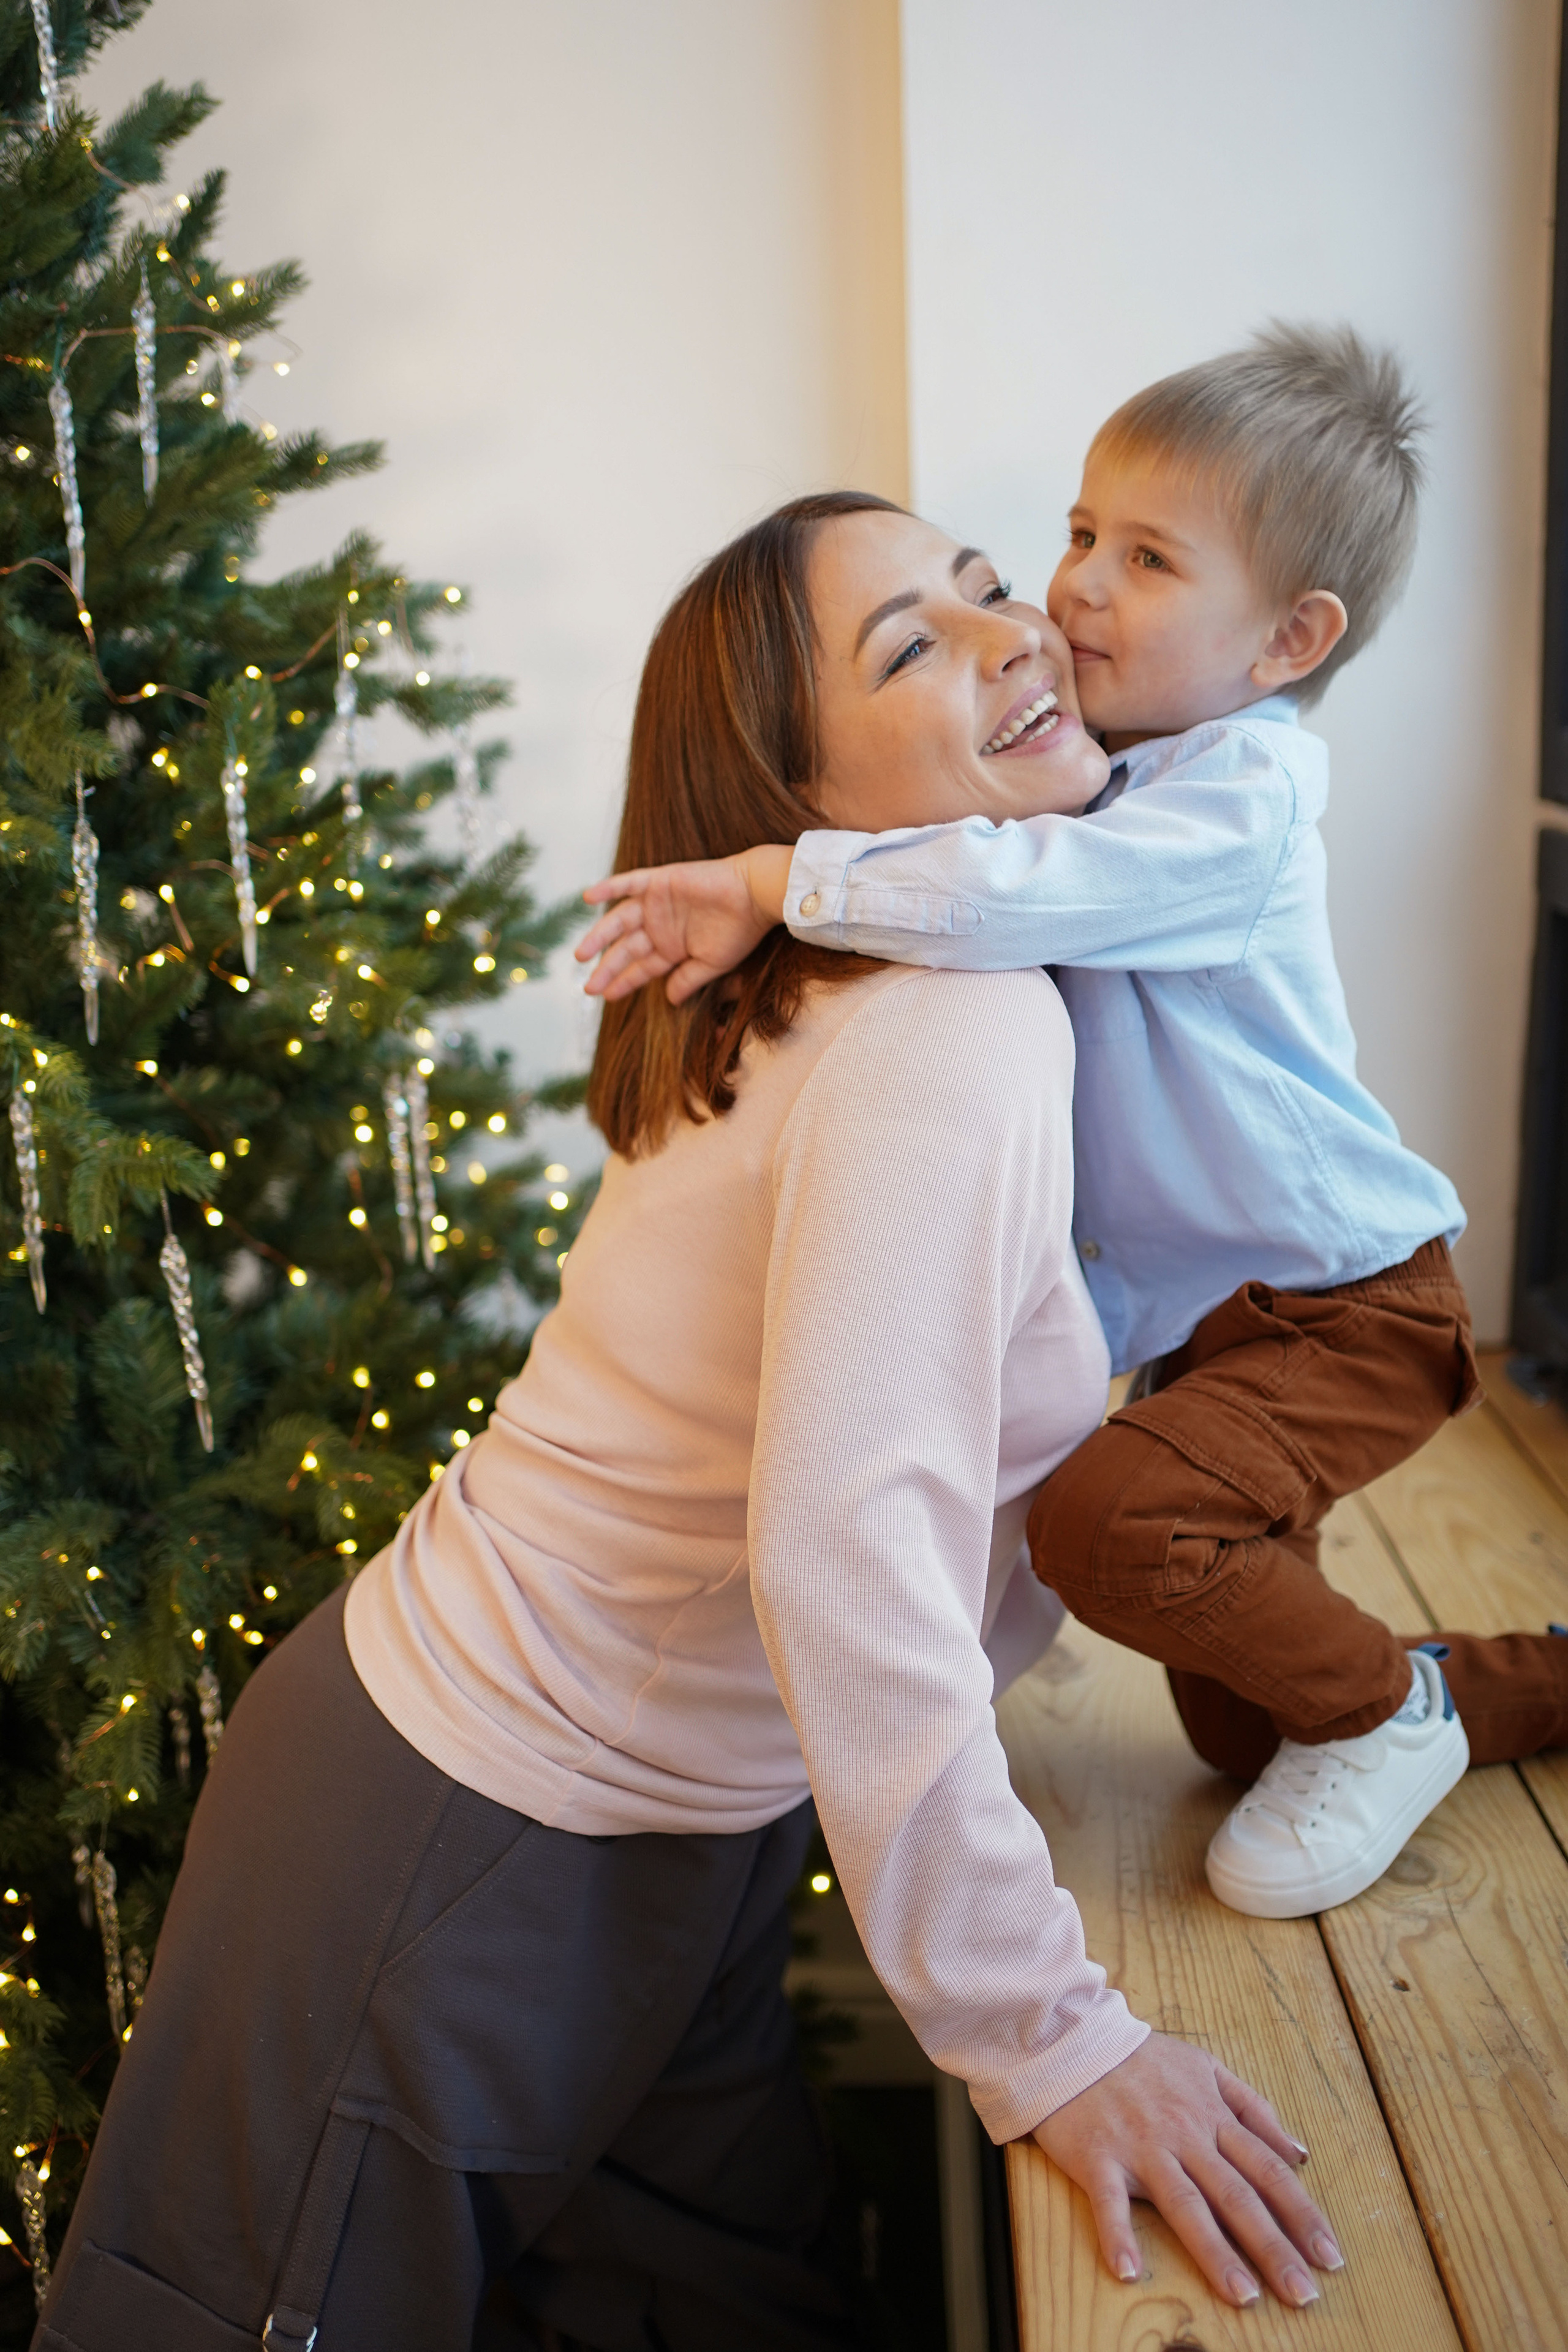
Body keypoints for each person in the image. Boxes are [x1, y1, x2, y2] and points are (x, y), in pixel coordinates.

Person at [37, 492, 1342, 2352]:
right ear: (795, 795)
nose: (1017, 633)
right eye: (914, 646)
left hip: (687, 1811)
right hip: (461, 1823)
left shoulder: (897, 985)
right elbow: (844, 1565)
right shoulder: (943, 1031)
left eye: (986, 586)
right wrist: (1055, 2038)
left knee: (728, 2304)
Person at [576, 328, 1568, 1926]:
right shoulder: (1112, 774)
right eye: (1082, 533)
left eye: (1151, 559)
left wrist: (777, 879)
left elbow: (1019, 893)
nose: (1077, 589)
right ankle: (1494, 1691)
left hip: (1352, 1302)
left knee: (1111, 1529)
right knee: (1242, 1721)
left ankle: (1394, 1717)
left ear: (1289, 639)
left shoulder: (1239, 803)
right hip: (1222, 1324)